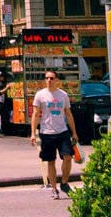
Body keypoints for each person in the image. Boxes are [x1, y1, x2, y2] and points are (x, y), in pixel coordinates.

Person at [30, 70, 80, 200]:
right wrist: (33, 133)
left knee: (68, 157)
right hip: (46, 133)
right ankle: (54, 188)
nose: (49, 80)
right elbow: (35, 114)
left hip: (62, 131)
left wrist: (74, 132)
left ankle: (64, 182)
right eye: (46, 78)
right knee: (50, 161)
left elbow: (68, 114)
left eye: (51, 78)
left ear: (57, 80)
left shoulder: (63, 95)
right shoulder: (40, 95)